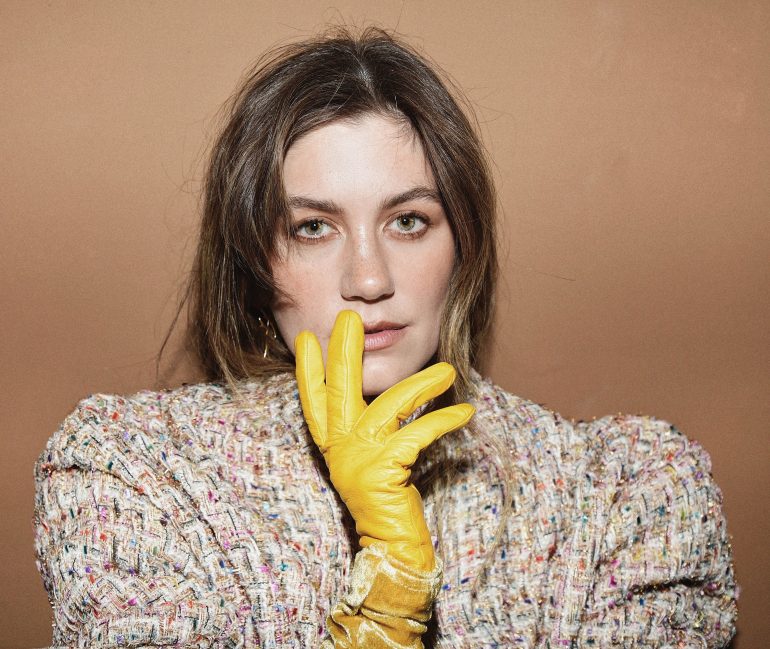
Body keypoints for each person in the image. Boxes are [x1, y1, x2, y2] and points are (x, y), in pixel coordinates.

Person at [33, 27, 737, 648]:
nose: (369, 280)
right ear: (252, 261)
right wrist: (387, 605)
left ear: (464, 243)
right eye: (313, 227)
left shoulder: (625, 491)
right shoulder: (137, 473)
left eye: (408, 221)